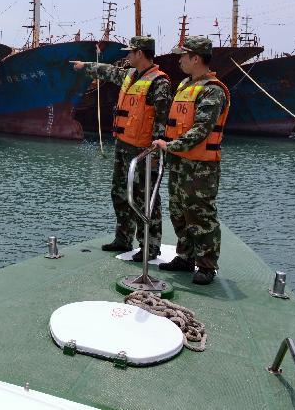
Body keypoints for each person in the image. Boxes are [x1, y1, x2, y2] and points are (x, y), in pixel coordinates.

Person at [71, 35, 171, 262]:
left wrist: (155, 154)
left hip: (144, 151)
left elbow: (162, 121)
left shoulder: (159, 83)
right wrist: (84, 66)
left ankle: (150, 246)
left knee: (146, 199)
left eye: (130, 52)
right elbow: (108, 71)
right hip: (123, 146)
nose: (127, 56)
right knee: (119, 193)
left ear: (140, 54)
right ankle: (123, 238)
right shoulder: (129, 75)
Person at [152, 36, 230, 286]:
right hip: (179, 164)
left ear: (195, 58)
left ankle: (207, 265)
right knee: (179, 212)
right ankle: (185, 256)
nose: (179, 60)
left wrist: (169, 146)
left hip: (200, 168)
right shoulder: (185, 85)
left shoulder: (213, 91)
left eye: (183, 56)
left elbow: (201, 130)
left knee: (201, 215)